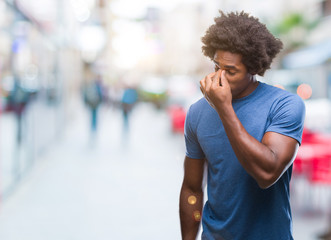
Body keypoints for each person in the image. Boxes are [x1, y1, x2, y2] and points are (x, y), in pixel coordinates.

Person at [179, 11, 305, 240]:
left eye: (231, 71)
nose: (220, 77)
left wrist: (224, 109)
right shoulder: (197, 112)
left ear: (254, 69)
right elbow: (191, 188)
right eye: (217, 66)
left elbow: (267, 173)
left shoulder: (285, 105)